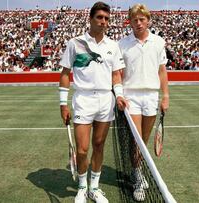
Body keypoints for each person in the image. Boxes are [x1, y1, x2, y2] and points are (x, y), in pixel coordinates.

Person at [58, 2, 126, 203]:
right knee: (82, 149)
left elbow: (116, 75)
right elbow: (64, 74)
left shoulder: (113, 46)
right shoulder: (75, 43)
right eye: (99, 17)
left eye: (106, 18)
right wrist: (63, 104)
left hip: (106, 100)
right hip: (83, 99)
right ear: (90, 19)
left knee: (99, 144)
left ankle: (94, 188)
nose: (103, 22)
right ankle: (81, 187)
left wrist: (119, 95)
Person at [118, 4, 169, 201]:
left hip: (151, 97)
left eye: (142, 19)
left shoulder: (159, 42)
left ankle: (135, 169)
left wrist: (165, 96)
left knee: (144, 141)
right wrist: (119, 94)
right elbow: (119, 74)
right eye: (134, 20)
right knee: (137, 140)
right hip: (131, 98)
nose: (138, 23)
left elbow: (162, 71)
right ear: (129, 22)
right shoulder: (122, 44)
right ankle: (138, 178)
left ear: (148, 20)